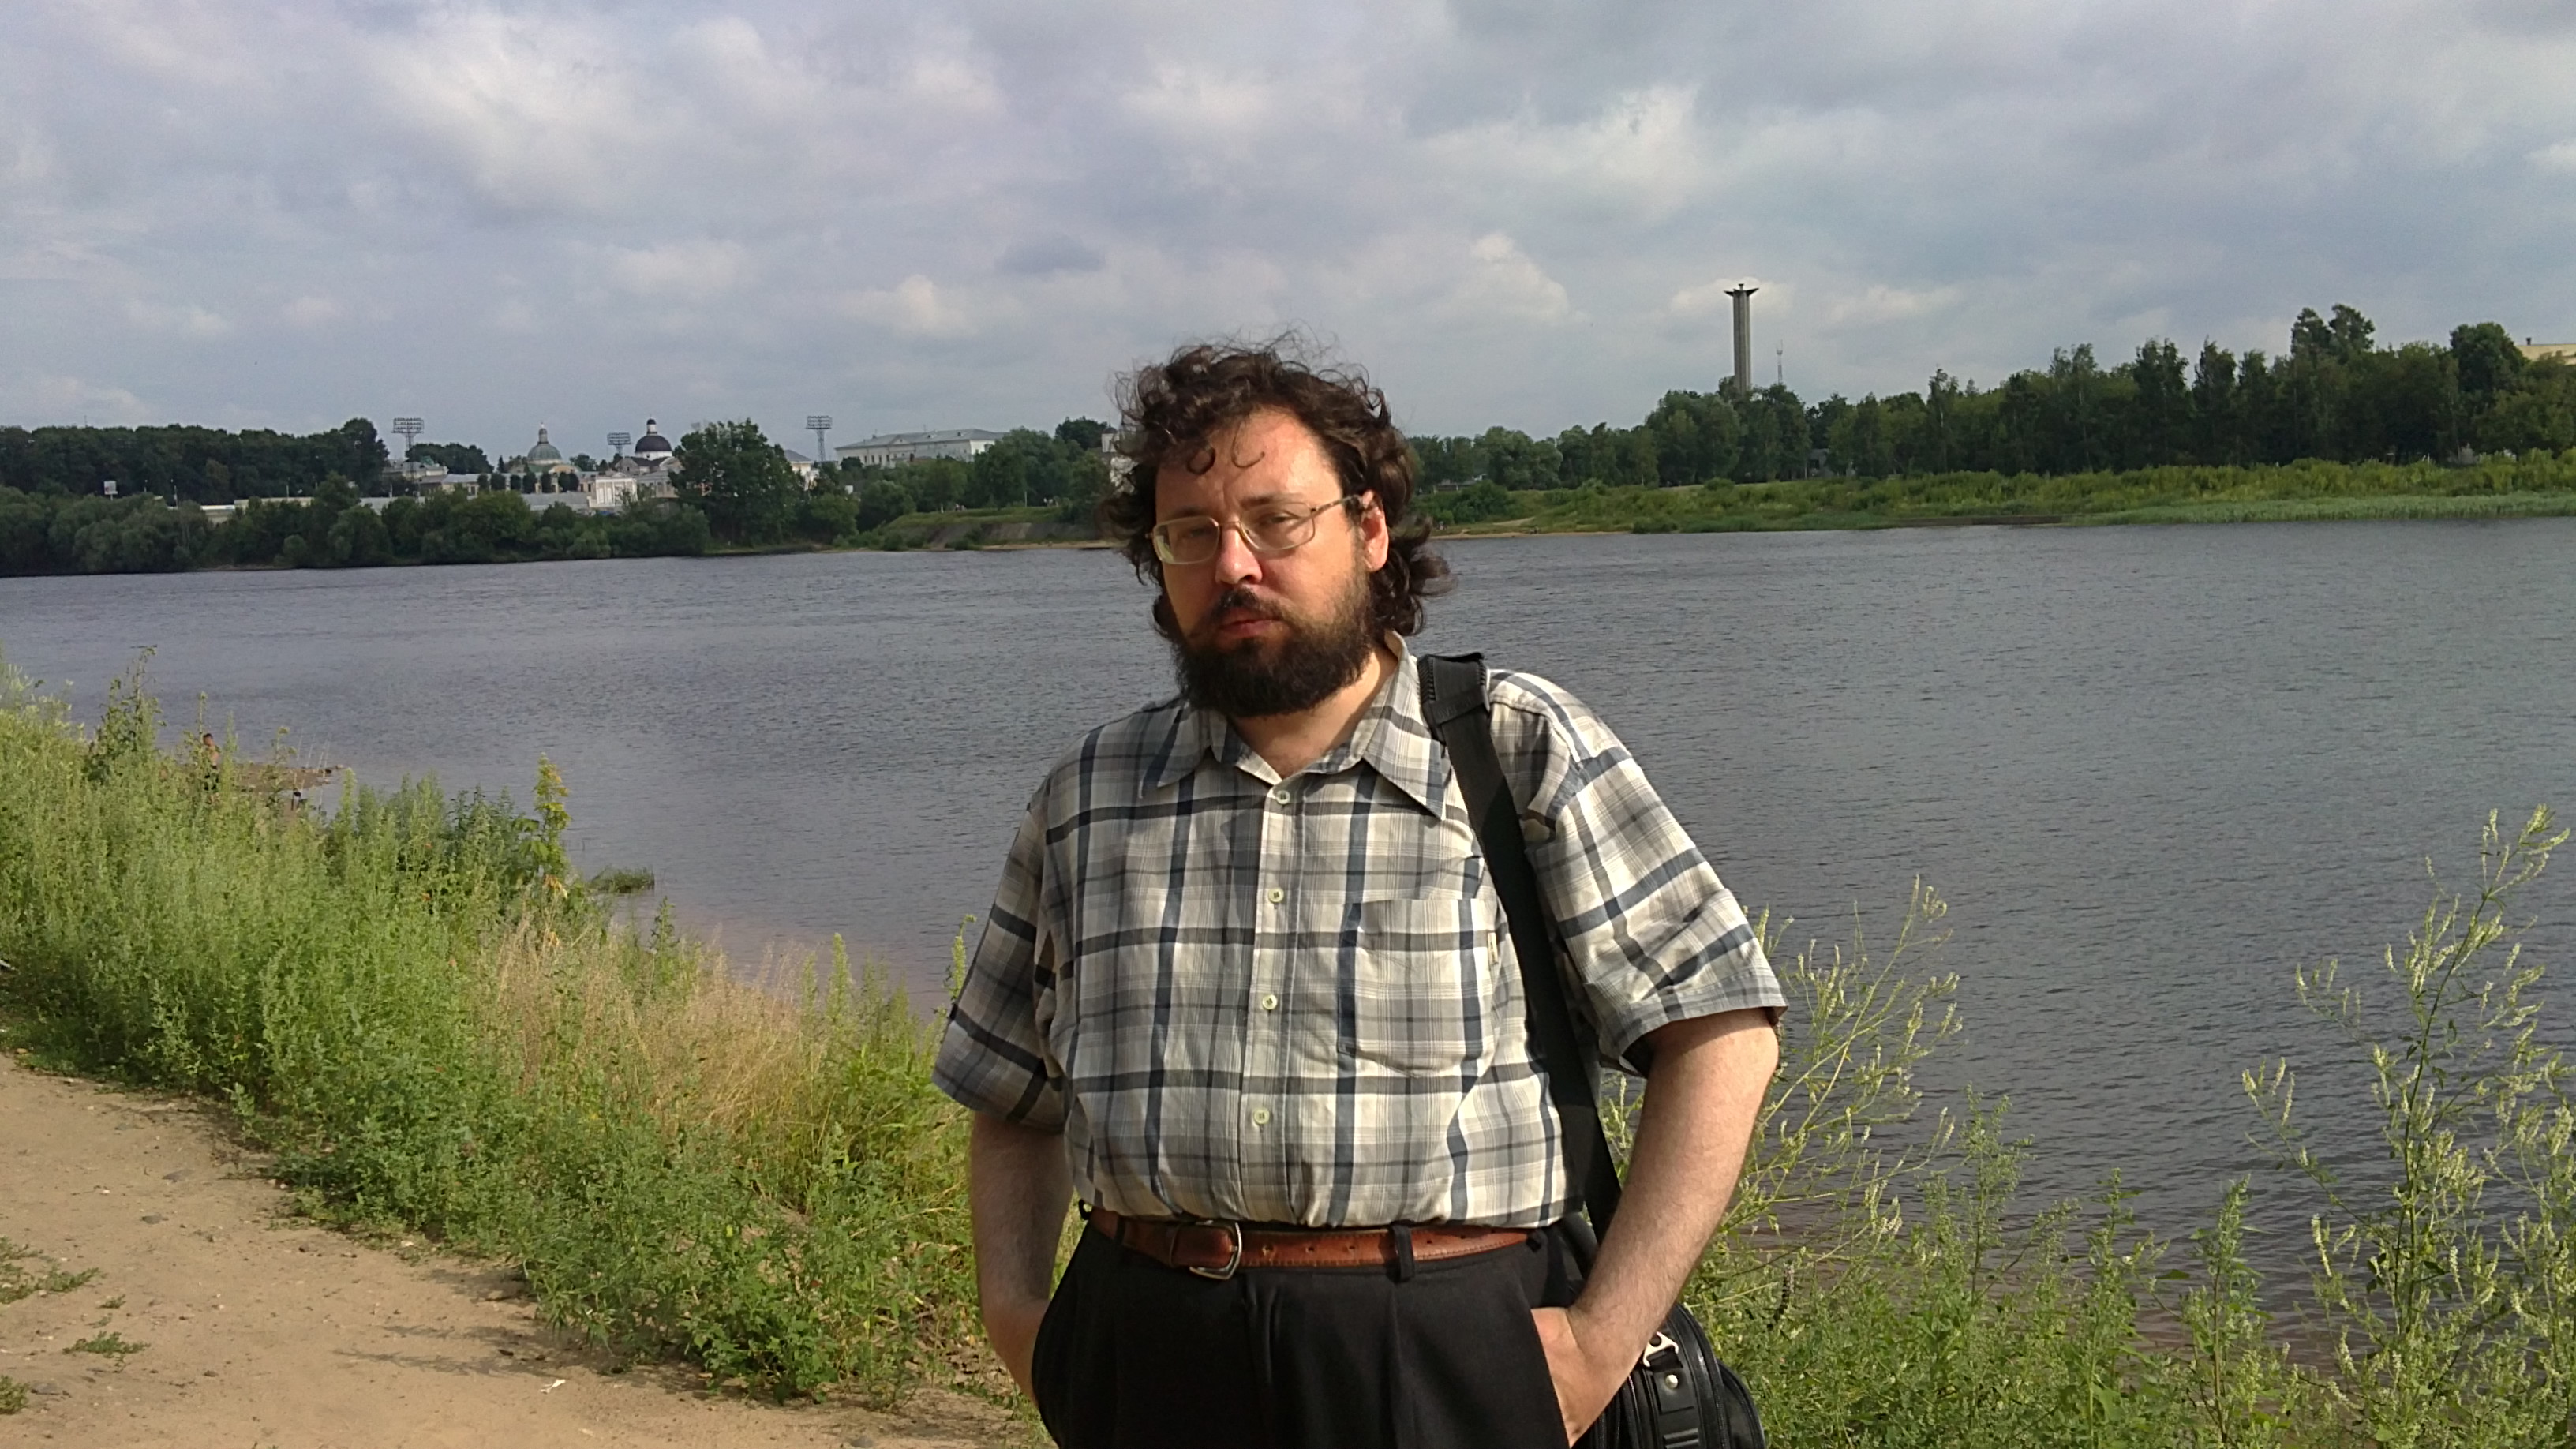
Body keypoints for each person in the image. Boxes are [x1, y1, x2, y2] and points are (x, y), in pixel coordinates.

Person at [933, 340, 1784, 1449]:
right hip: (1143, 1352)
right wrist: (1020, 1320)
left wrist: (1600, 1340)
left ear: (1369, 530)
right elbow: (1012, 1094)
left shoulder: (1514, 750)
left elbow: (1721, 1032)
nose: (1234, 564)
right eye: (1191, 534)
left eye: (1277, 521)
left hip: (1441, 1354)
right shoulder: (1088, 797)